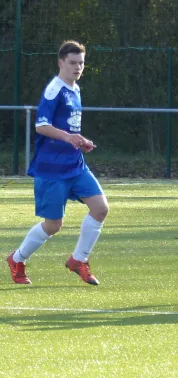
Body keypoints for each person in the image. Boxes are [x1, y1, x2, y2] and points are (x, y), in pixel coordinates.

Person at [6, 40, 109, 286]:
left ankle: (79, 260)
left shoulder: (76, 88)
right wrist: (68, 137)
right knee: (53, 225)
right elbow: (40, 125)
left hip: (75, 164)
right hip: (52, 168)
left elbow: (68, 127)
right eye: (72, 63)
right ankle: (17, 258)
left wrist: (80, 141)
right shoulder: (54, 90)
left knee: (100, 208)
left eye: (81, 63)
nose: (77, 67)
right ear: (61, 63)